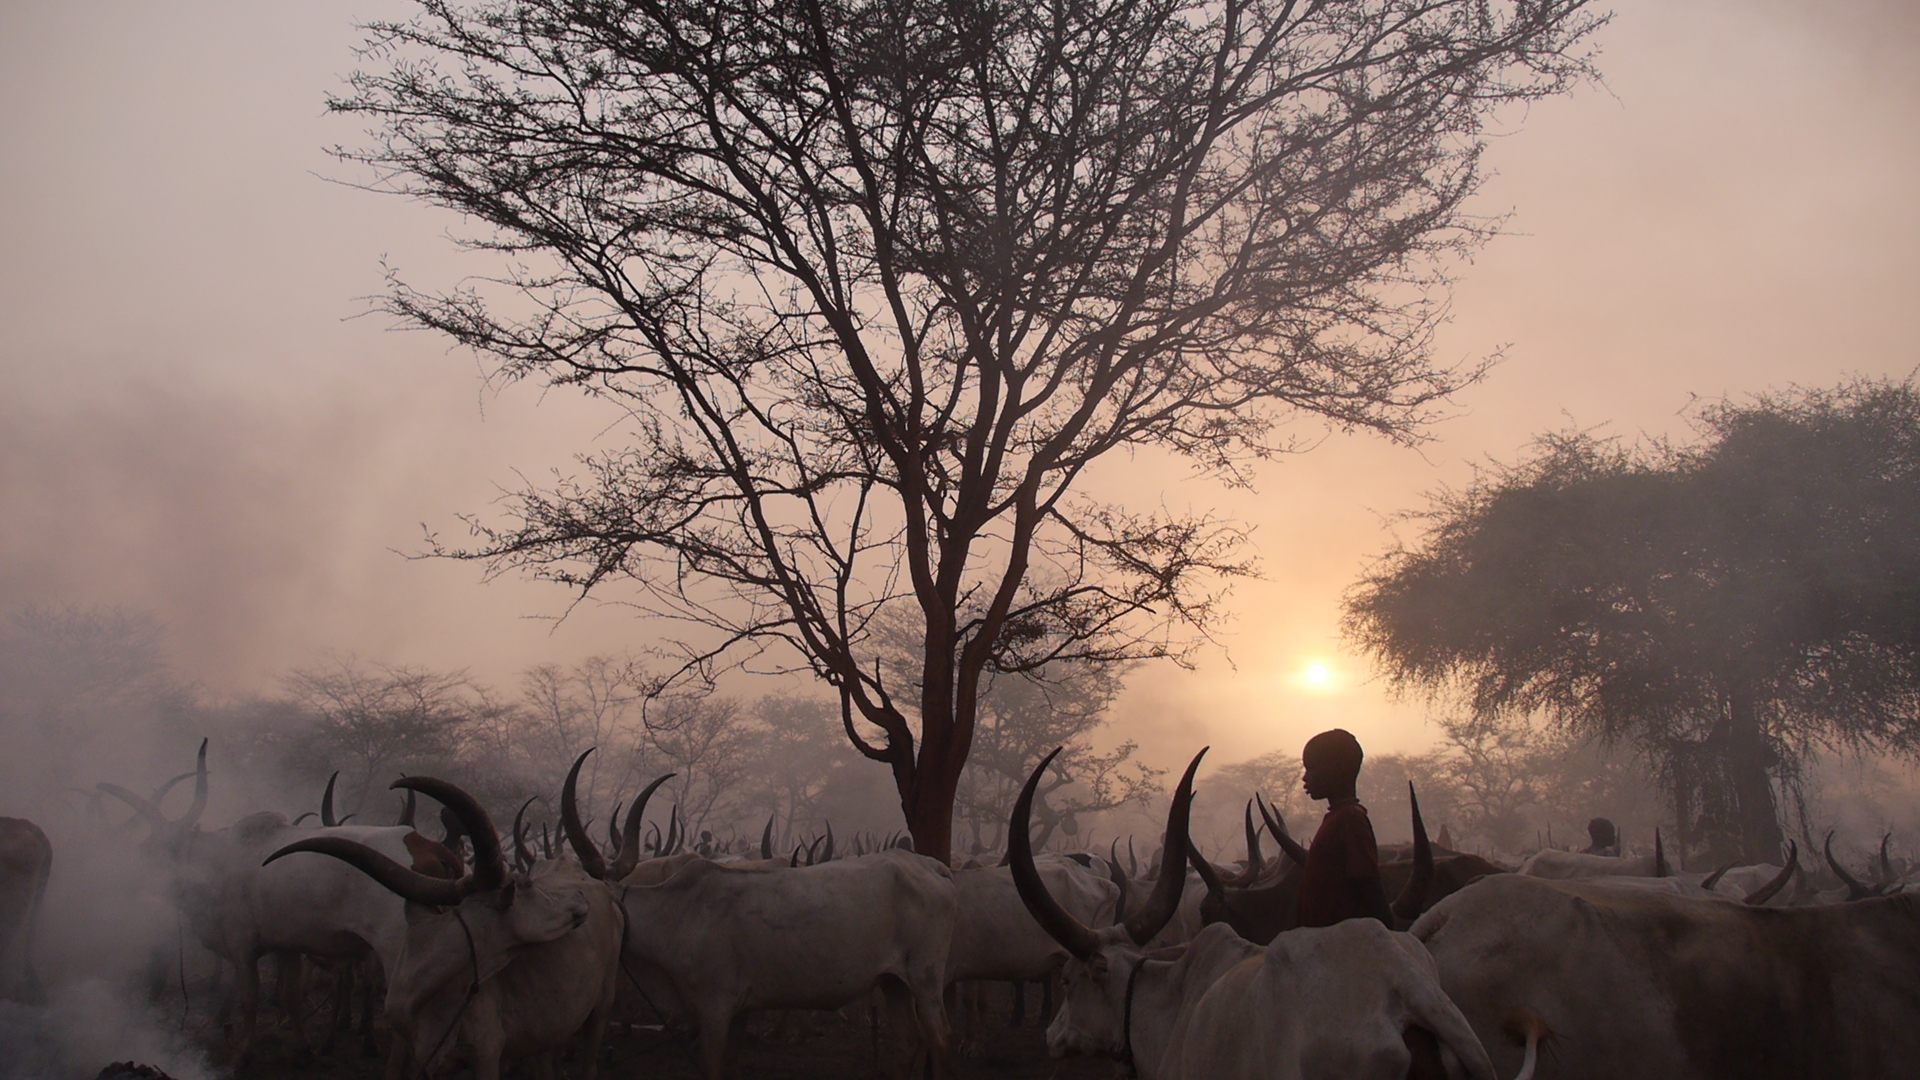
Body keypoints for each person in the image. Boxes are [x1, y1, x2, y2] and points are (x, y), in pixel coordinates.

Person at [1295, 728, 1394, 929]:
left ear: (1338, 768)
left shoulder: (1350, 819)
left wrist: (1389, 935)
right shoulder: (1337, 817)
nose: (1305, 778)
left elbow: (1369, 886)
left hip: (1340, 944)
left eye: (1312, 769)